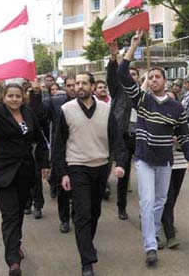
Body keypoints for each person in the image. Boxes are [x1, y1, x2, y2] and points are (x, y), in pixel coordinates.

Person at [117, 30, 189, 266]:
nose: (153, 80)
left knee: (160, 201)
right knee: (148, 201)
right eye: (150, 77)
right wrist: (133, 46)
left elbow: (184, 135)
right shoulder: (141, 100)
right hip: (144, 159)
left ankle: (153, 228)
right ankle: (150, 246)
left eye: (157, 77)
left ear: (165, 81)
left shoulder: (176, 108)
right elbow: (122, 73)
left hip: (166, 161)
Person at [0, 84, 49, 276]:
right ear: (4, 97)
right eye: (10, 96)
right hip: (3, 173)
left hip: (25, 173)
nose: (14, 99)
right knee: (10, 215)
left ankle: (15, 243)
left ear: (22, 98)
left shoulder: (28, 113)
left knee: (19, 212)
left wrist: (45, 163)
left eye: (17, 96)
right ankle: (13, 260)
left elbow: (40, 139)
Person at [54, 71, 126, 276]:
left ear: (93, 87)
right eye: (77, 83)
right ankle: (87, 262)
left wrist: (120, 162)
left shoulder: (105, 109)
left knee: (95, 211)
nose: (79, 86)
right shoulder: (66, 110)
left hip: (101, 166)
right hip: (77, 166)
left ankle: (88, 243)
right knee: (83, 212)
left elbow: (116, 138)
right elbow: (58, 144)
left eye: (84, 83)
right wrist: (62, 173)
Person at [107, 41, 139, 220]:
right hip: (124, 137)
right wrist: (114, 57)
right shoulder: (118, 90)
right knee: (123, 173)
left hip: (141, 137)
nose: (131, 76)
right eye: (128, 73)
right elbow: (112, 75)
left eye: (134, 74)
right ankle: (121, 207)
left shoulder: (143, 93)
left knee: (146, 173)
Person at [45, 76, 76, 233]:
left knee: (78, 188)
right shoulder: (56, 102)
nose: (72, 88)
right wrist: (38, 92)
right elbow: (41, 112)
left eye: (74, 85)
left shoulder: (87, 103)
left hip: (79, 152)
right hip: (62, 150)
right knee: (64, 188)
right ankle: (64, 219)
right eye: (69, 85)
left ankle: (77, 215)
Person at [160, 90, 188, 249]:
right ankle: (169, 232)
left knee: (173, 196)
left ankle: (165, 221)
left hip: (179, 162)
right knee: (167, 196)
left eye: (171, 99)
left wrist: (179, 140)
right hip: (163, 163)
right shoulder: (156, 118)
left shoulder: (181, 117)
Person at [24, 82, 50, 219]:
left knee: (36, 178)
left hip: (35, 148)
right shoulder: (17, 111)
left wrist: (36, 90)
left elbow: (38, 109)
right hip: (22, 151)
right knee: (24, 179)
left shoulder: (35, 110)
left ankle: (38, 205)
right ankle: (27, 204)